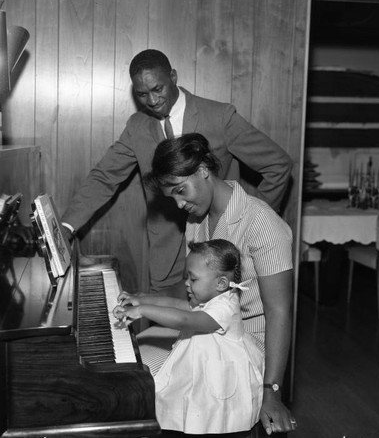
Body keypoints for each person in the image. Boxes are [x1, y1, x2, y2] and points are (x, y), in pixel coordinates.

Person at [61, 49, 292, 295]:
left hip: (220, 253)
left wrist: (249, 221)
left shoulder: (219, 116)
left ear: (173, 76)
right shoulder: (137, 127)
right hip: (166, 258)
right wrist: (67, 226)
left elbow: (278, 164)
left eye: (157, 89)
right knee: (166, 328)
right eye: (142, 94)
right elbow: (104, 178)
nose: (151, 100)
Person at [143, 132, 296, 435]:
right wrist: (141, 299)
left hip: (247, 347)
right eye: (171, 196)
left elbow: (280, 312)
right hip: (211, 331)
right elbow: (195, 292)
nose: (178, 203)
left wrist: (271, 390)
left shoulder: (261, 223)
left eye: (180, 190)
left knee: (148, 381)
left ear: (203, 171)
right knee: (139, 356)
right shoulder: (197, 222)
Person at [113, 239, 265, 435]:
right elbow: (177, 305)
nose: (186, 283)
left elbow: (185, 319)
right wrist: (141, 299)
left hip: (219, 376)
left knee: (216, 420)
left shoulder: (225, 307)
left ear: (221, 283)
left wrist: (142, 310)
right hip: (202, 366)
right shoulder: (212, 296)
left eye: (193, 279)